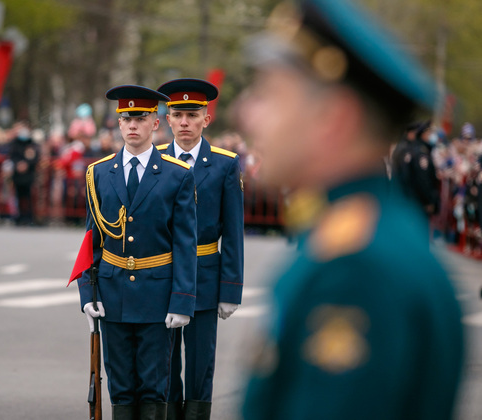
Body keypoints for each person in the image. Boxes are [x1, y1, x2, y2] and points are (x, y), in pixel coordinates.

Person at [238, 0, 464, 419]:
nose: (245, 113)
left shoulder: (355, 270)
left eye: (268, 95)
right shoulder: (364, 236)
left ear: (332, 119)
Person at [75, 85, 197, 420]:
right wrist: (87, 294)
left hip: (157, 296)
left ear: (155, 123)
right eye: (126, 118)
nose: (132, 125)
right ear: (118, 123)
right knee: (120, 387)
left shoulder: (177, 175)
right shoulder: (99, 173)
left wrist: (182, 300)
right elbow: (92, 240)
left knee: (153, 386)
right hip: (112, 293)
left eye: (140, 118)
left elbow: (184, 243)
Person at [155, 78, 244, 420]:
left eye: (192, 115)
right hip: (162, 272)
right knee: (163, 361)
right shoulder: (155, 160)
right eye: (177, 115)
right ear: (167, 119)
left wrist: (230, 289)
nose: (184, 123)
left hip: (204, 273)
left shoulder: (224, 164)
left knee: (200, 363)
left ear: (206, 119)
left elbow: (233, 231)